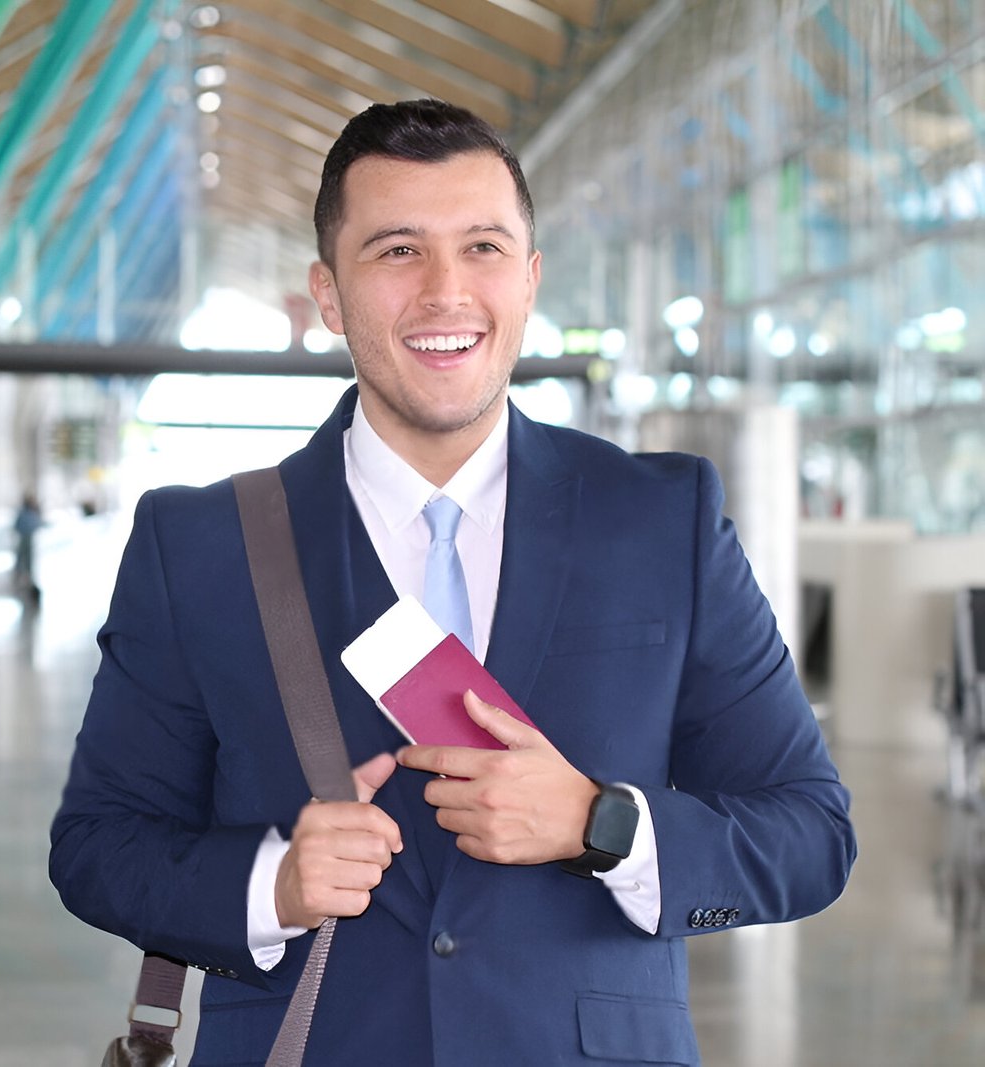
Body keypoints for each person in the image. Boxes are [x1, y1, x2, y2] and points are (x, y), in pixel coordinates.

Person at [49, 100, 856, 1065]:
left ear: (530, 279)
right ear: (329, 294)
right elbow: (98, 846)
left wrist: (600, 823)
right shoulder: (201, 544)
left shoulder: (659, 519)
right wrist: (273, 884)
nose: (446, 290)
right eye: (398, 250)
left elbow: (808, 832)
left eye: (482, 247)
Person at [12, 491, 45, 603]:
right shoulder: (25, 513)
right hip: (25, 539)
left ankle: (27, 580)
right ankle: (23, 579)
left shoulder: (32, 513)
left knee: (28, 562)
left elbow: (37, 525)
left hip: (31, 540)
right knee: (23, 560)